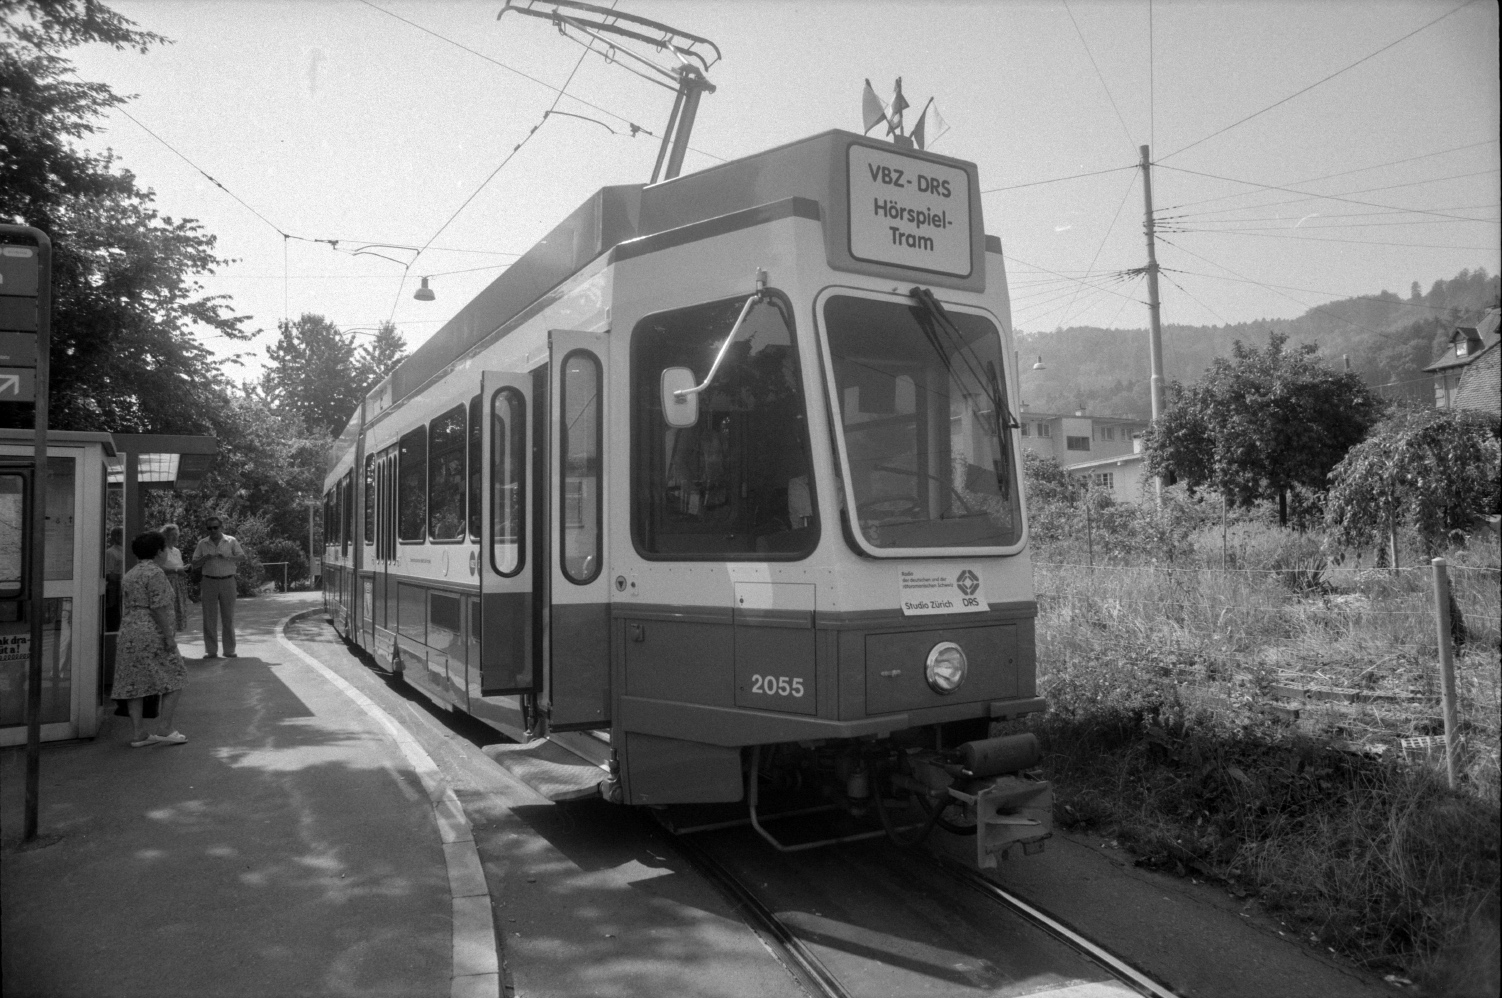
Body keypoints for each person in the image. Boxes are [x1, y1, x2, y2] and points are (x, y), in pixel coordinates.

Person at [111, 531, 188, 747]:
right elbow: (158, 608)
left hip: (129, 631)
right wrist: (169, 637)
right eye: (164, 549)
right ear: (158, 551)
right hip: (151, 632)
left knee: (134, 681)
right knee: (176, 676)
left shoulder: (131, 573)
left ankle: (139, 733)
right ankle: (165, 727)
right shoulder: (155, 574)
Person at [191, 515, 245, 660]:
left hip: (228, 580)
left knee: (228, 616)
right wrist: (204, 558)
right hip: (209, 581)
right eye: (209, 528)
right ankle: (211, 650)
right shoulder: (203, 543)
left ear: (221, 527)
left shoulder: (231, 541)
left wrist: (227, 557)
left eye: (215, 527)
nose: (213, 531)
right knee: (209, 617)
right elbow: (194, 563)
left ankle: (229, 650)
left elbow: (242, 557)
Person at [158, 523, 190, 632]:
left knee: (177, 615)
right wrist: (176, 570)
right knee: (168, 614)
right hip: (167, 584)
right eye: (172, 534)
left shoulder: (176, 551)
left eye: (177, 534)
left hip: (178, 585)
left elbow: (178, 567)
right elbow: (159, 568)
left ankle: (173, 640)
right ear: (165, 536)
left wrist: (184, 569)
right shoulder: (161, 550)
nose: (175, 537)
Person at [103, 527, 123, 632]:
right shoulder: (110, 553)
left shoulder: (127, 552)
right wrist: (125, 576)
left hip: (123, 590)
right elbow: (109, 575)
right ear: (116, 537)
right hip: (114, 592)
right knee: (114, 618)